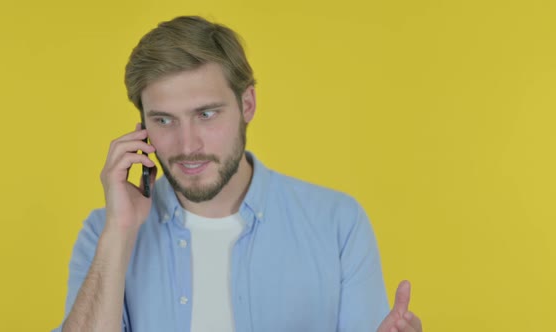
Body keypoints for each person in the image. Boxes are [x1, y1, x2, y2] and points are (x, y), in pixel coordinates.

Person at [54, 16, 423, 332]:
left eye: (206, 114)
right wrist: (120, 232)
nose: (188, 144)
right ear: (141, 127)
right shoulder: (104, 233)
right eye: (164, 120)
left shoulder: (337, 223)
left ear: (247, 104)